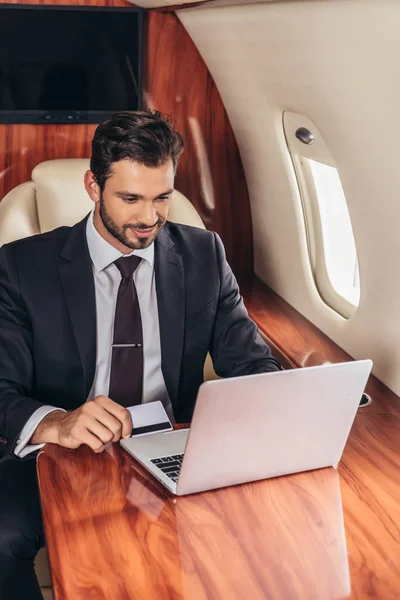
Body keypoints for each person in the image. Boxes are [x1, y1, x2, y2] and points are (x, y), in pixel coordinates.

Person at [0, 110, 281, 598]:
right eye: (130, 198)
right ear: (93, 186)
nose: (149, 218)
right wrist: (57, 422)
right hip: (63, 453)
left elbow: (252, 364)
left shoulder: (204, 255)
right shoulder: (22, 267)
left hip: (178, 448)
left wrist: (270, 401)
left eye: (162, 197)